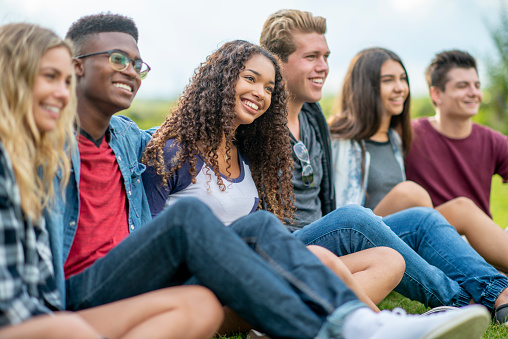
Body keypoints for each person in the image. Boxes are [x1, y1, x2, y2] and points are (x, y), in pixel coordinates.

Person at [51, 12, 494, 339]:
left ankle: (371, 323)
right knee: (216, 228)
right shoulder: (101, 144)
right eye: (117, 58)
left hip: (206, 272)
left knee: (363, 247)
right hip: (131, 279)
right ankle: (389, 317)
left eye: (137, 63)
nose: (130, 70)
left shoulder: (125, 140)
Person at [260, 9, 508, 324]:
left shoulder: (312, 117)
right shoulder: (261, 121)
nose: (323, 66)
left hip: (324, 236)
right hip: (287, 245)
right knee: (356, 215)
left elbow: (325, 202)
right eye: (311, 56)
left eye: (326, 56)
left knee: (421, 219)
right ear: (276, 61)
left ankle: (500, 292)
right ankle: (461, 301)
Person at [142, 39, 402, 315]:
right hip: (200, 291)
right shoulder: (173, 152)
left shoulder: (244, 152)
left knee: (388, 260)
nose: (260, 93)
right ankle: (382, 326)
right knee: (319, 261)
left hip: (250, 274)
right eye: (251, 79)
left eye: (268, 88)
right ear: (220, 79)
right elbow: (149, 245)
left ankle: (350, 323)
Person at [0, 22, 223, 339]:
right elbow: (12, 306)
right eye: (51, 77)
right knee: (189, 218)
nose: (63, 94)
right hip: (49, 312)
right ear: (12, 75)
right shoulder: (34, 156)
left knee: (202, 304)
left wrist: (225, 101)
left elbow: (171, 140)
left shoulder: (121, 137)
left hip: (54, 310)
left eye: (65, 82)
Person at [328, 47, 508, 275]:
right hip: (364, 239)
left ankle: (488, 269)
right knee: (415, 195)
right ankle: (484, 272)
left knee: (458, 208)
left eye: (403, 79)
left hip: (412, 234)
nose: (400, 87)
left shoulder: (395, 137)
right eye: (388, 80)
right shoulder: (342, 139)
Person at [405, 50, 508, 271]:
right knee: (463, 208)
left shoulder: (493, 140)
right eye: (463, 86)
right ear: (436, 94)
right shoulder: (410, 135)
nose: (474, 93)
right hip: (433, 243)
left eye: (477, 85)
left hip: (484, 242)